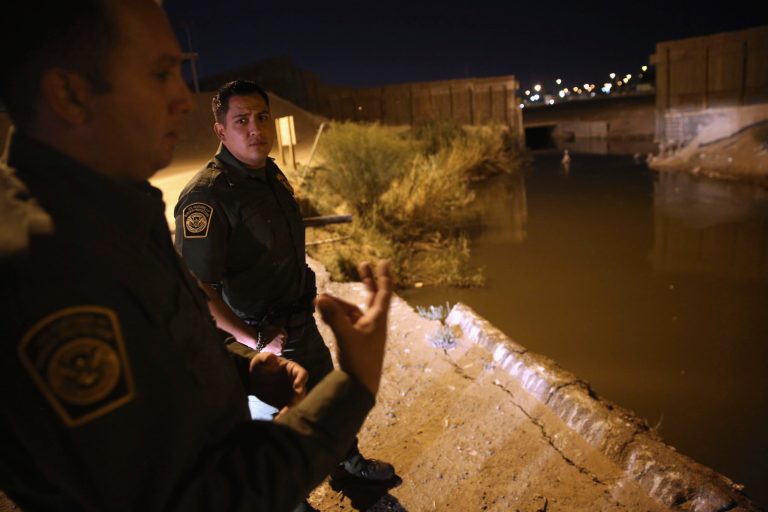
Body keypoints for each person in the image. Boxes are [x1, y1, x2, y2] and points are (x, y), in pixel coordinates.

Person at [0, 1, 392, 510]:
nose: (184, 99)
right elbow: (198, 496)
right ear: (70, 94)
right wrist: (356, 384)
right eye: (161, 73)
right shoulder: (48, 273)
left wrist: (240, 369)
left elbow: (168, 339)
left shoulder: (115, 213)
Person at [173, 81, 396, 501]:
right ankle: (288, 501)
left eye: (262, 117)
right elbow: (196, 290)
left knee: (328, 393)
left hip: (298, 321)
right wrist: (253, 341)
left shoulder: (268, 173)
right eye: (242, 120)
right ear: (221, 131)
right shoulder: (207, 196)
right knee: (273, 424)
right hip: (259, 338)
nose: (256, 128)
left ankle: (346, 464)